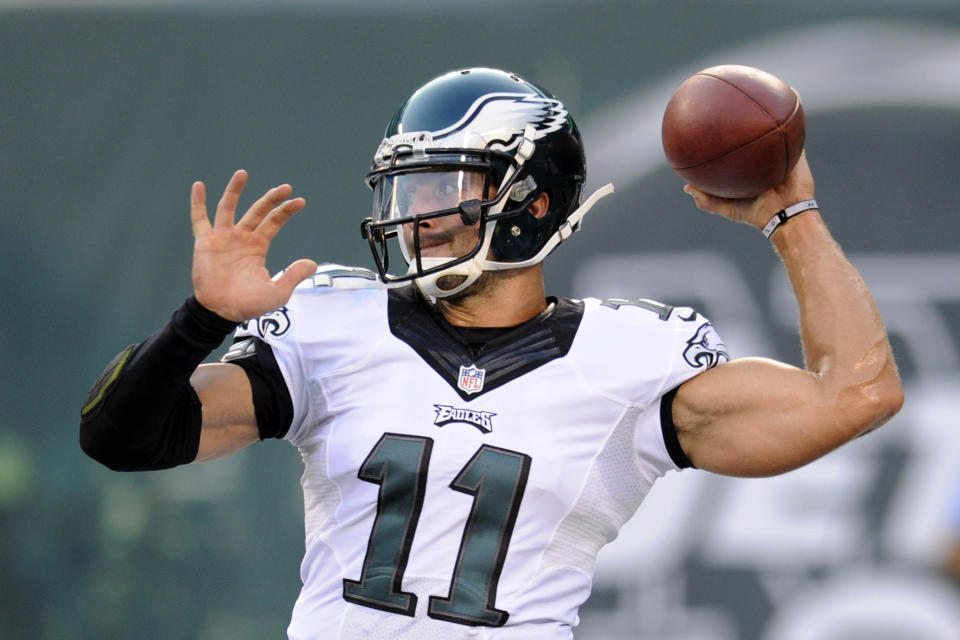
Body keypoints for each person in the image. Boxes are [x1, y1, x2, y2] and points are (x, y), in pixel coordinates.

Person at [79, 67, 903, 639]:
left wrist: (792, 217)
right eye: (407, 189)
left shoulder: (630, 359)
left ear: (531, 201)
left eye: (445, 187)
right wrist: (199, 319)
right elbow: (121, 437)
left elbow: (856, 396)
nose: (418, 216)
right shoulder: (336, 325)